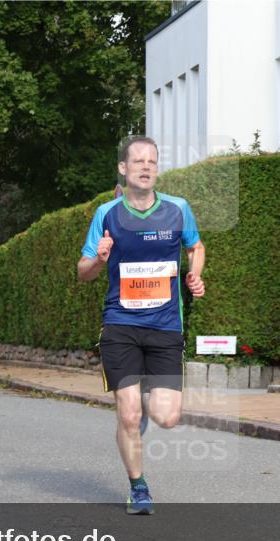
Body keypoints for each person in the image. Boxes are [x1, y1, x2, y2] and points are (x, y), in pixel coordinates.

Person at [77, 136, 206, 515]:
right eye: (138, 162)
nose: (146, 167)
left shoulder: (178, 210)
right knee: (128, 413)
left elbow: (195, 247)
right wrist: (99, 259)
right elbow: (83, 272)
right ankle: (139, 487)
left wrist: (194, 275)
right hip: (120, 324)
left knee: (167, 417)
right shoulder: (107, 214)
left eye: (152, 161)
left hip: (166, 326)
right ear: (123, 169)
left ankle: (144, 406)